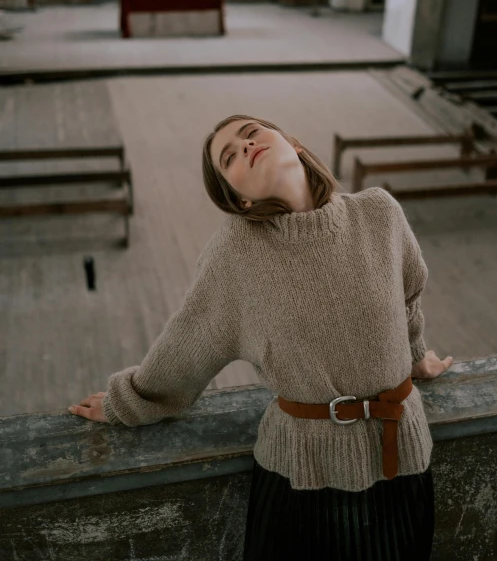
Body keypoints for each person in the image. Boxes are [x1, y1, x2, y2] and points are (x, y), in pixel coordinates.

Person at [68, 114, 453, 560]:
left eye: (251, 133)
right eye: (229, 156)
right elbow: (186, 345)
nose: (246, 147)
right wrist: (126, 401)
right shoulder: (236, 255)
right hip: (301, 477)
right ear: (240, 201)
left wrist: (416, 354)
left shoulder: (379, 213)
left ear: (294, 145)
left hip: (402, 455)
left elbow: (407, 295)